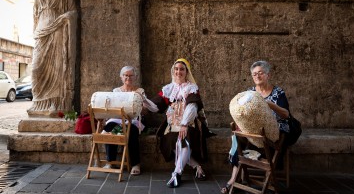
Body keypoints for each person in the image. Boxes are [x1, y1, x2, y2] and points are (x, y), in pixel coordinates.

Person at [221, 60, 290, 194]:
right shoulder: (250, 93)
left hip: (273, 132)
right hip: (254, 132)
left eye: (260, 73)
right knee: (237, 135)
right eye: (254, 74)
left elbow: (286, 114)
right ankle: (233, 179)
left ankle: (262, 178)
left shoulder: (278, 92)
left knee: (252, 136)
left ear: (268, 75)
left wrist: (270, 105)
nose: (257, 76)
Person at [151, 58, 210, 188]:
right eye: (176, 69)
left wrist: (184, 124)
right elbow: (156, 106)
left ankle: (176, 174)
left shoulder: (191, 88)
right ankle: (197, 167)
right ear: (173, 71)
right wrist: (143, 101)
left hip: (190, 123)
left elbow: (192, 107)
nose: (179, 71)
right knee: (171, 140)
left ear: (187, 72)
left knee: (184, 139)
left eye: (182, 69)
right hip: (172, 123)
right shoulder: (169, 88)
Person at [29, 0, 77, 115]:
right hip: (41, 32)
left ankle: (54, 104)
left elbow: (73, 11)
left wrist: (67, 17)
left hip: (58, 31)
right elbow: (35, 15)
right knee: (36, 69)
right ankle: (38, 103)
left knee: (57, 68)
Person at [102, 66, 158, 175]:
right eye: (125, 75)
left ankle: (136, 164)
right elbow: (113, 108)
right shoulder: (116, 91)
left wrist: (143, 102)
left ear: (135, 77)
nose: (128, 77)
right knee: (109, 128)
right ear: (121, 77)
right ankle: (111, 161)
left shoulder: (139, 91)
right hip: (118, 119)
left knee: (132, 131)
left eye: (131, 75)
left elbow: (150, 110)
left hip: (134, 120)